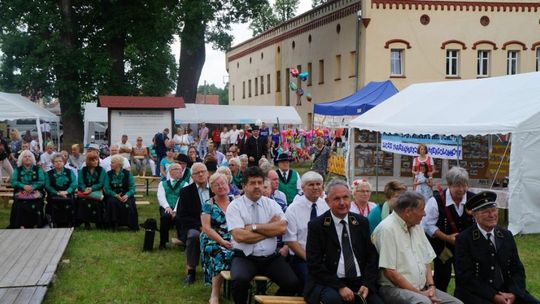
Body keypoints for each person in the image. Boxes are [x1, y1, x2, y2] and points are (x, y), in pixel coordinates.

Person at [371, 191, 463, 304]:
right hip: (393, 289)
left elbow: (426, 259)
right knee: (423, 302)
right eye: (421, 210)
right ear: (408, 212)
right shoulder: (387, 229)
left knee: (456, 303)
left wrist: (431, 287)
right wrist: (420, 294)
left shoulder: (416, 225)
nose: (424, 214)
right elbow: (390, 272)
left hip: (423, 288)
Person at [225, 166, 299, 304]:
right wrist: (270, 229)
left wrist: (254, 228)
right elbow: (240, 237)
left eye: (260, 183)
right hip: (245, 256)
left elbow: (282, 228)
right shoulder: (235, 206)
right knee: (239, 281)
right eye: (253, 183)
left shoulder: (271, 204)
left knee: (292, 283)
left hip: (271, 258)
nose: (257, 186)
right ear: (244, 186)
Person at [305, 179, 383, 304]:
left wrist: (367, 283)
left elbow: (372, 256)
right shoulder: (317, 226)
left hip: (359, 281)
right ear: (327, 201)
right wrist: (339, 286)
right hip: (329, 281)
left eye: (345, 197)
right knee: (333, 301)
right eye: (336, 199)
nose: (342, 203)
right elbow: (314, 263)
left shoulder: (361, 222)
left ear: (350, 199)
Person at [454, 191, 540, 304]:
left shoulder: (506, 235)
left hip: (507, 291)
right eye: (486, 212)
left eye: (494, 210)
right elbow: (466, 278)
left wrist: (514, 293)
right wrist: (494, 296)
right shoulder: (464, 239)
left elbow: (517, 269)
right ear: (475, 215)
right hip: (477, 293)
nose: (492, 215)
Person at [422, 166, 475, 291]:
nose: (461, 189)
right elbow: (427, 225)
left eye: (464, 185)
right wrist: (447, 237)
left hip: (466, 247)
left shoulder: (473, 199)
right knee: (442, 278)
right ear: (449, 185)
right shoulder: (435, 201)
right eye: (457, 186)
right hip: (442, 247)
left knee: (465, 279)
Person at [284, 171, 330, 294]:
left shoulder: (326, 207)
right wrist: (310, 259)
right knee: (312, 281)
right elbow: (291, 240)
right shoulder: (293, 209)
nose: (315, 187)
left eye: (318, 184)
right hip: (301, 258)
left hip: (323, 258)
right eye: (311, 185)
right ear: (303, 188)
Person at [200, 173, 234, 304]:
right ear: (212, 189)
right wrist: (222, 241)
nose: (221, 187)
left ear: (228, 186)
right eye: (216, 185)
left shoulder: (236, 202)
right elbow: (206, 228)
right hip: (213, 238)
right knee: (219, 254)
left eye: (223, 184)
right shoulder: (208, 204)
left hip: (233, 237)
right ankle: (215, 294)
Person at [175, 162, 211, 284]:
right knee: (194, 236)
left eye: (203, 171)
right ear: (192, 176)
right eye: (197, 173)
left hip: (215, 225)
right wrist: (200, 226)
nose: (200, 174)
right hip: (195, 226)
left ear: (207, 173)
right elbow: (182, 215)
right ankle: (191, 271)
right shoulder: (186, 192)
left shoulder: (216, 188)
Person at [9, 150, 46, 228]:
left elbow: (42, 181)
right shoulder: (17, 170)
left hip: (36, 191)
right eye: (25, 157)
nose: (27, 158)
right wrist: (23, 186)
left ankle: (36, 224)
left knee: (36, 202)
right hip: (21, 191)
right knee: (20, 204)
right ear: (21, 159)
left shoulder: (38, 169)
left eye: (29, 156)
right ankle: (20, 224)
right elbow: (14, 182)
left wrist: (33, 187)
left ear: (32, 158)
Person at [103, 155, 139, 231]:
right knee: (112, 202)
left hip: (126, 194)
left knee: (128, 203)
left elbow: (132, 188)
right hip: (113, 194)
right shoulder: (108, 174)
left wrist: (127, 195)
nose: (110, 164)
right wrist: (115, 195)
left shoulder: (128, 174)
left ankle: (129, 224)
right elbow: (106, 188)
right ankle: (114, 224)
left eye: (112, 163)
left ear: (118, 164)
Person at [156, 163, 186, 249]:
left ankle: (182, 241)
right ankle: (163, 242)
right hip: (166, 207)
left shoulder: (185, 184)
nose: (179, 171)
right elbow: (161, 196)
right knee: (165, 217)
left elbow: (182, 198)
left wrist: (175, 210)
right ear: (170, 171)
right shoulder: (163, 183)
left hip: (179, 208)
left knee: (179, 218)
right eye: (176, 169)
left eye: (180, 169)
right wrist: (167, 207)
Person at [45, 153, 77, 227]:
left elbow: (74, 183)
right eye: (56, 161)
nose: (58, 163)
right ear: (53, 163)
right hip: (54, 194)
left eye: (60, 161)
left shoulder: (70, 171)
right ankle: (54, 222)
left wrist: (67, 191)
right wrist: (57, 193)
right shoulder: (48, 173)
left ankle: (69, 222)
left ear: (64, 162)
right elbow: (47, 186)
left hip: (67, 193)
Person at [77, 151, 107, 229]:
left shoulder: (101, 170)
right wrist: (85, 189)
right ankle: (86, 222)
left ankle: (98, 222)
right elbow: (80, 182)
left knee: (96, 203)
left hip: (97, 192)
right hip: (85, 192)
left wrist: (91, 188)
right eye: (93, 160)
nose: (95, 161)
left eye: (96, 160)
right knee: (83, 202)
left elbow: (101, 183)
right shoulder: (82, 170)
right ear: (88, 161)